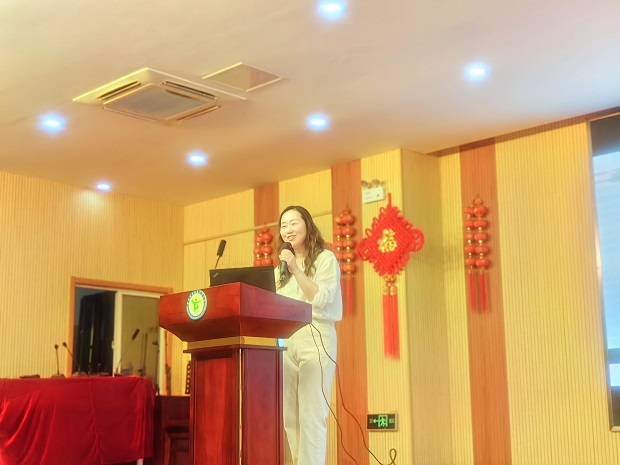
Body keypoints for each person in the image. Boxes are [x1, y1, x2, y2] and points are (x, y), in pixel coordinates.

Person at [276, 205, 342, 465]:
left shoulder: (325, 259)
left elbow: (320, 298)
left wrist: (295, 269)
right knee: (289, 416)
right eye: (284, 225)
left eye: (294, 223)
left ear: (307, 225)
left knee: (311, 414)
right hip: (286, 340)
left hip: (316, 335)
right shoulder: (280, 269)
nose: (288, 230)